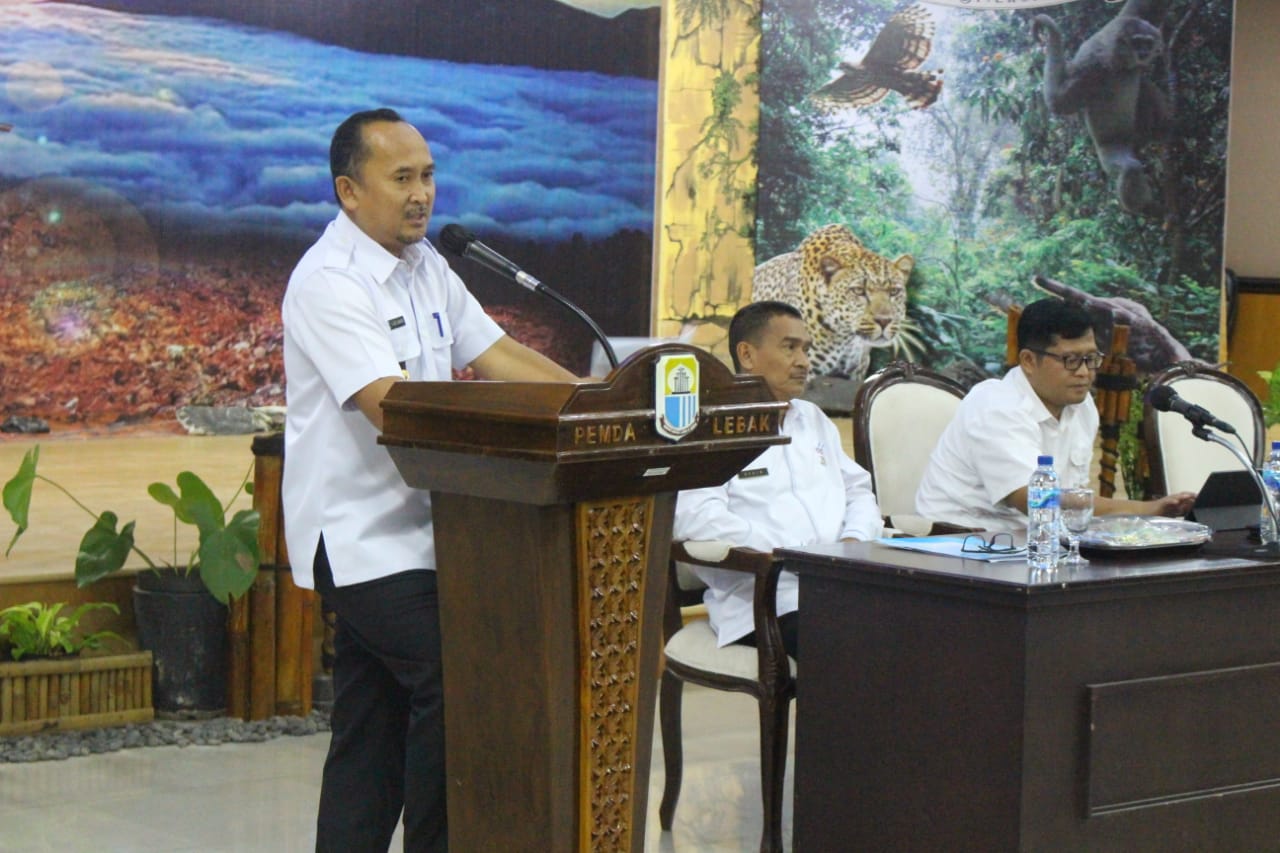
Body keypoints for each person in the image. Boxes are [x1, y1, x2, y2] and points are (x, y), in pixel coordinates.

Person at [281, 108, 578, 853]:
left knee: (369, 733)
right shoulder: (328, 281)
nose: (422, 195)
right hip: (360, 538)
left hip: (433, 530)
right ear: (350, 192)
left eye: (429, 176)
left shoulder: (427, 266)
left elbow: (500, 353)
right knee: (455, 673)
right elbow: (395, 408)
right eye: (402, 178)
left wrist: (596, 406)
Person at [671, 301, 884, 659]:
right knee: (856, 647)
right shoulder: (709, 426)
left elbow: (859, 492)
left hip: (839, 582)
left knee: (925, 626)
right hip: (769, 599)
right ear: (747, 354)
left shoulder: (813, 419)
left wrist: (851, 543)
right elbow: (696, 518)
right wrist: (796, 555)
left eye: (806, 349)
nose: (803, 361)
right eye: (789, 347)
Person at [915, 297, 1195, 532]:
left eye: (1091, 359)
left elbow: (1072, 503)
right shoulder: (996, 404)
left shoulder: (1082, 408)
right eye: (1071, 360)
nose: (1085, 372)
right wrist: (1147, 510)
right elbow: (1036, 500)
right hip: (959, 545)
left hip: (1035, 544)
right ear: (1028, 361)